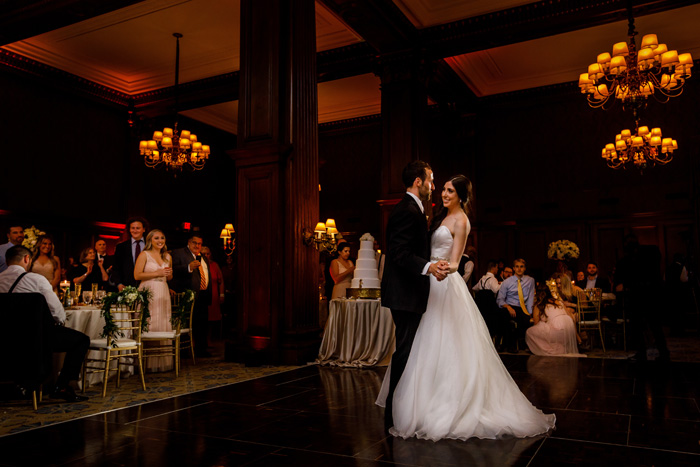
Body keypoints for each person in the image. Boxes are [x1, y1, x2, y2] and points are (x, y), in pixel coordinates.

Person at [377, 174, 555, 441]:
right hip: (429, 282)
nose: (444, 194)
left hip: (445, 284)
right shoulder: (438, 218)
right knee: (423, 346)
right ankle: (421, 402)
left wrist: (438, 268)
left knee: (446, 344)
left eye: (449, 191)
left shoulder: (462, 221)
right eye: (443, 190)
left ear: (460, 195)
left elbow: (457, 263)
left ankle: (449, 404)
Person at [379, 160, 448, 431]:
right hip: (404, 294)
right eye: (430, 180)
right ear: (418, 182)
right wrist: (429, 266)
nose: (433, 185)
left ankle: (403, 405)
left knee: (409, 350)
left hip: (409, 292)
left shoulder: (416, 210)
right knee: (405, 351)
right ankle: (394, 411)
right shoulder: (406, 210)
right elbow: (398, 253)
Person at [0, 245, 89, 402]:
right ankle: (61, 386)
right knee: (81, 340)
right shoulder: (36, 279)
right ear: (27, 259)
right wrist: (59, 323)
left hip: (6, 339)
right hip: (36, 338)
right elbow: (58, 313)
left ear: (7, 261)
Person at [134, 229, 174, 372]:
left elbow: (169, 277)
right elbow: (137, 275)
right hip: (148, 290)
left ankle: (161, 362)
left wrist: (168, 274)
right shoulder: (144, 254)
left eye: (162, 238)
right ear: (150, 240)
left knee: (162, 323)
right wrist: (157, 272)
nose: (160, 241)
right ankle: (144, 362)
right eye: (156, 238)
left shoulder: (167, 256)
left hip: (163, 291)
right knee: (149, 323)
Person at [171, 234, 212, 358]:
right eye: (195, 243)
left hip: (202, 295)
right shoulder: (178, 253)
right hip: (186, 295)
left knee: (202, 324)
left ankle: (201, 350)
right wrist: (188, 267)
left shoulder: (203, 258)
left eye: (200, 243)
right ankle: (183, 353)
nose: (197, 246)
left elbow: (206, 275)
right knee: (186, 323)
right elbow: (172, 269)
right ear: (189, 242)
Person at [526, 282, 583, 356]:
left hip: (556, 331)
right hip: (569, 329)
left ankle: (551, 349)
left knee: (530, 332)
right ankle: (559, 347)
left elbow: (536, 324)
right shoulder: (558, 301)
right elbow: (571, 317)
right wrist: (577, 337)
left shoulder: (538, 305)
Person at [496, 259, 535, 352]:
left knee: (525, 320)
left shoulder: (530, 280)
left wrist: (530, 313)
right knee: (503, 316)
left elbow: (530, 298)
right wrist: (508, 307)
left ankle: (516, 344)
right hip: (509, 306)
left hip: (522, 307)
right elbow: (500, 299)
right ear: (513, 268)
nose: (519, 269)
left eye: (521, 266)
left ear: (525, 268)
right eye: (517, 266)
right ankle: (509, 345)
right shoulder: (507, 282)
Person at [111, 217, 147, 291]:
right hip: (127, 287)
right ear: (129, 230)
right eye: (132, 228)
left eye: (138, 228)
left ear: (144, 229)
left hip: (148, 285)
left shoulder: (150, 245)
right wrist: (119, 284)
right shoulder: (121, 247)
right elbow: (116, 268)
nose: (135, 230)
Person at [201, 246, 225, 341]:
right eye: (204, 254)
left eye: (208, 253)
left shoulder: (215, 265)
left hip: (214, 296)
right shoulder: (198, 264)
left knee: (212, 319)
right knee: (202, 319)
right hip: (202, 296)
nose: (206, 255)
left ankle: (209, 340)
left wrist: (222, 294)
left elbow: (221, 280)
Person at [473, 260, 501, 336]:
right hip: (489, 305)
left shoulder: (482, 279)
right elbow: (495, 289)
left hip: (481, 305)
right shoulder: (492, 279)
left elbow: (474, 288)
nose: (497, 269)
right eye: (497, 267)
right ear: (493, 267)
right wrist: (502, 285)